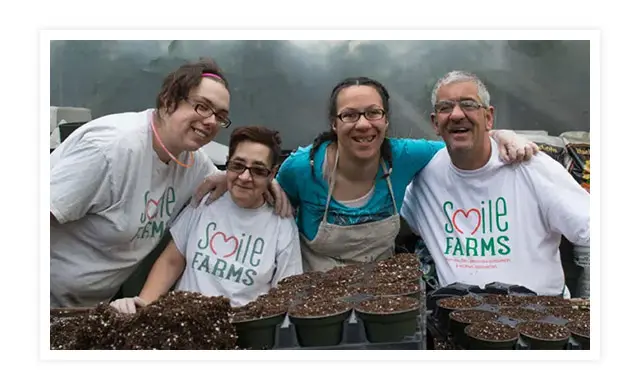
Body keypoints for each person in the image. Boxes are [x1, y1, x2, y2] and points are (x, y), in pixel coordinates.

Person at [197, 76, 536, 273]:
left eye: (373, 113)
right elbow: (263, 187)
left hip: (382, 300)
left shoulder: (405, 156)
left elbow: (461, 142)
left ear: (386, 120)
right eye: (350, 115)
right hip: (315, 303)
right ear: (334, 124)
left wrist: (501, 135)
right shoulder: (304, 168)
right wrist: (226, 175)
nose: (363, 124)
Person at [50, 59, 290, 308]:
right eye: (201, 107)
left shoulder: (191, 161)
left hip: (86, 309)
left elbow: (233, 176)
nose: (211, 121)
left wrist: (264, 181)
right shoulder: (109, 149)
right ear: (168, 101)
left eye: (220, 116)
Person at [401, 70, 590, 296]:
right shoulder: (425, 176)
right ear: (435, 122)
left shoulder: (531, 166)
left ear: (489, 117)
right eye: (445, 107)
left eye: (469, 104)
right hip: (459, 319)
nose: (457, 114)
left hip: (541, 318)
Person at [109, 126, 303, 313]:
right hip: (183, 324)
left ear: (272, 173)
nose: (245, 177)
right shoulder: (206, 201)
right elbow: (172, 260)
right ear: (227, 164)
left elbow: (286, 295)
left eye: (258, 170)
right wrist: (143, 308)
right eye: (238, 166)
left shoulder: (282, 226)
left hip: (242, 333)